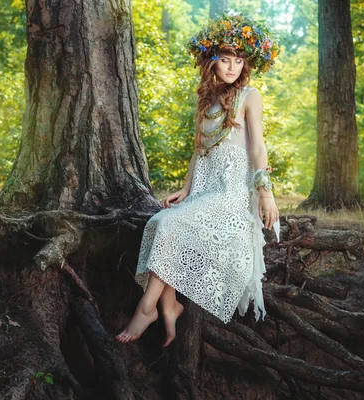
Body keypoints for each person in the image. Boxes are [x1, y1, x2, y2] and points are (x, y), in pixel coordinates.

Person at [116, 11, 281, 347]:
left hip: (233, 194)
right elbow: (199, 151)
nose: (232, 67)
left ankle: (147, 307)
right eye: (225, 59)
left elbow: (259, 145)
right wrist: (187, 188)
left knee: (171, 227)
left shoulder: (249, 97)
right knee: (161, 221)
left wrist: (265, 192)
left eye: (238, 60)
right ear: (212, 63)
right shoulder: (206, 102)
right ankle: (170, 304)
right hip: (206, 191)